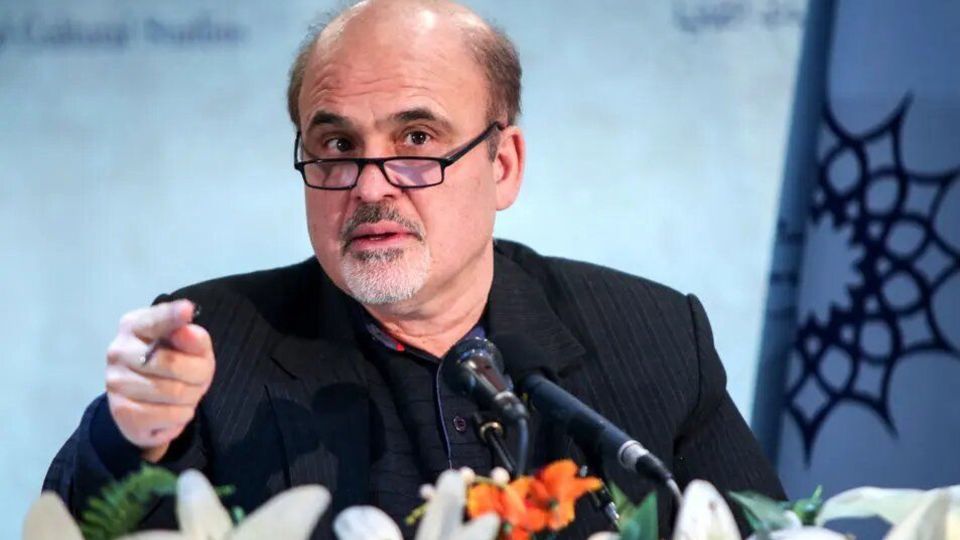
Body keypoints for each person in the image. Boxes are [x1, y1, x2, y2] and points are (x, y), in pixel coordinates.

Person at [43, 1, 784, 537]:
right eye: (338, 147)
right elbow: (77, 527)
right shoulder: (214, 349)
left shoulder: (652, 337)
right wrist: (126, 437)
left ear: (502, 165)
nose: (371, 187)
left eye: (417, 138)